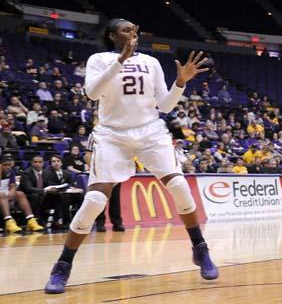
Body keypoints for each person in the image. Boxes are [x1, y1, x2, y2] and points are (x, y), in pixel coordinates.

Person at [44, 19, 217, 294]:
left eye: (135, 29)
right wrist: (120, 62)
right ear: (113, 35)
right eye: (126, 29)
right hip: (112, 135)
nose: (132, 33)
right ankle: (63, 265)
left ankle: (200, 247)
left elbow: (165, 105)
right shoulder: (99, 59)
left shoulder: (151, 62)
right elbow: (92, 93)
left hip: (150, 132)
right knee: (94, 200)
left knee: (179, 186)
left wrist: (181, 83)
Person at [0, 154, 44, 233]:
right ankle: (9, 222)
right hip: (1, 195)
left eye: (9, 165)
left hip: (5, 194)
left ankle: (31, 220)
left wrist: (11, 194)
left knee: (20, 193)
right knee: (2, 195)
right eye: (4, 165)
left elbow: (12, 186)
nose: (7, 167)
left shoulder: (11, 172)